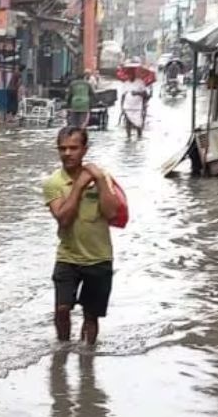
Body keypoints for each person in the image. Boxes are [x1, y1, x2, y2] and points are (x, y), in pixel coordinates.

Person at [44, 126, 118, 348]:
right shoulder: (53, 183)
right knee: (62, 309)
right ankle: (63, 349)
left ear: (85, 149)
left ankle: (87, 356)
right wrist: (79, 186)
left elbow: (111, 213)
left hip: (99, 257)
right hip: (67, 256)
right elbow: (64, 219)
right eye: (62, 148)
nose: (67, 153)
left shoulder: (101, 177)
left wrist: (100, 180)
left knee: (91, 315)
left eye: (73, 148)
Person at [121, 69, 147, 140]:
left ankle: (139, 137)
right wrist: (122, 107)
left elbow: (145, 94)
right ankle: (128, 138)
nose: (130, 76)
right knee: (128, 123)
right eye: (128, 75)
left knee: (138, 123)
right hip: (127, 106)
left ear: (134, 74)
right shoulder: (125, 83)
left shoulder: (140, 82)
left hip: (137, 107)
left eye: (131, 74)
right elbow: (123, 96)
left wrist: (137, 93)